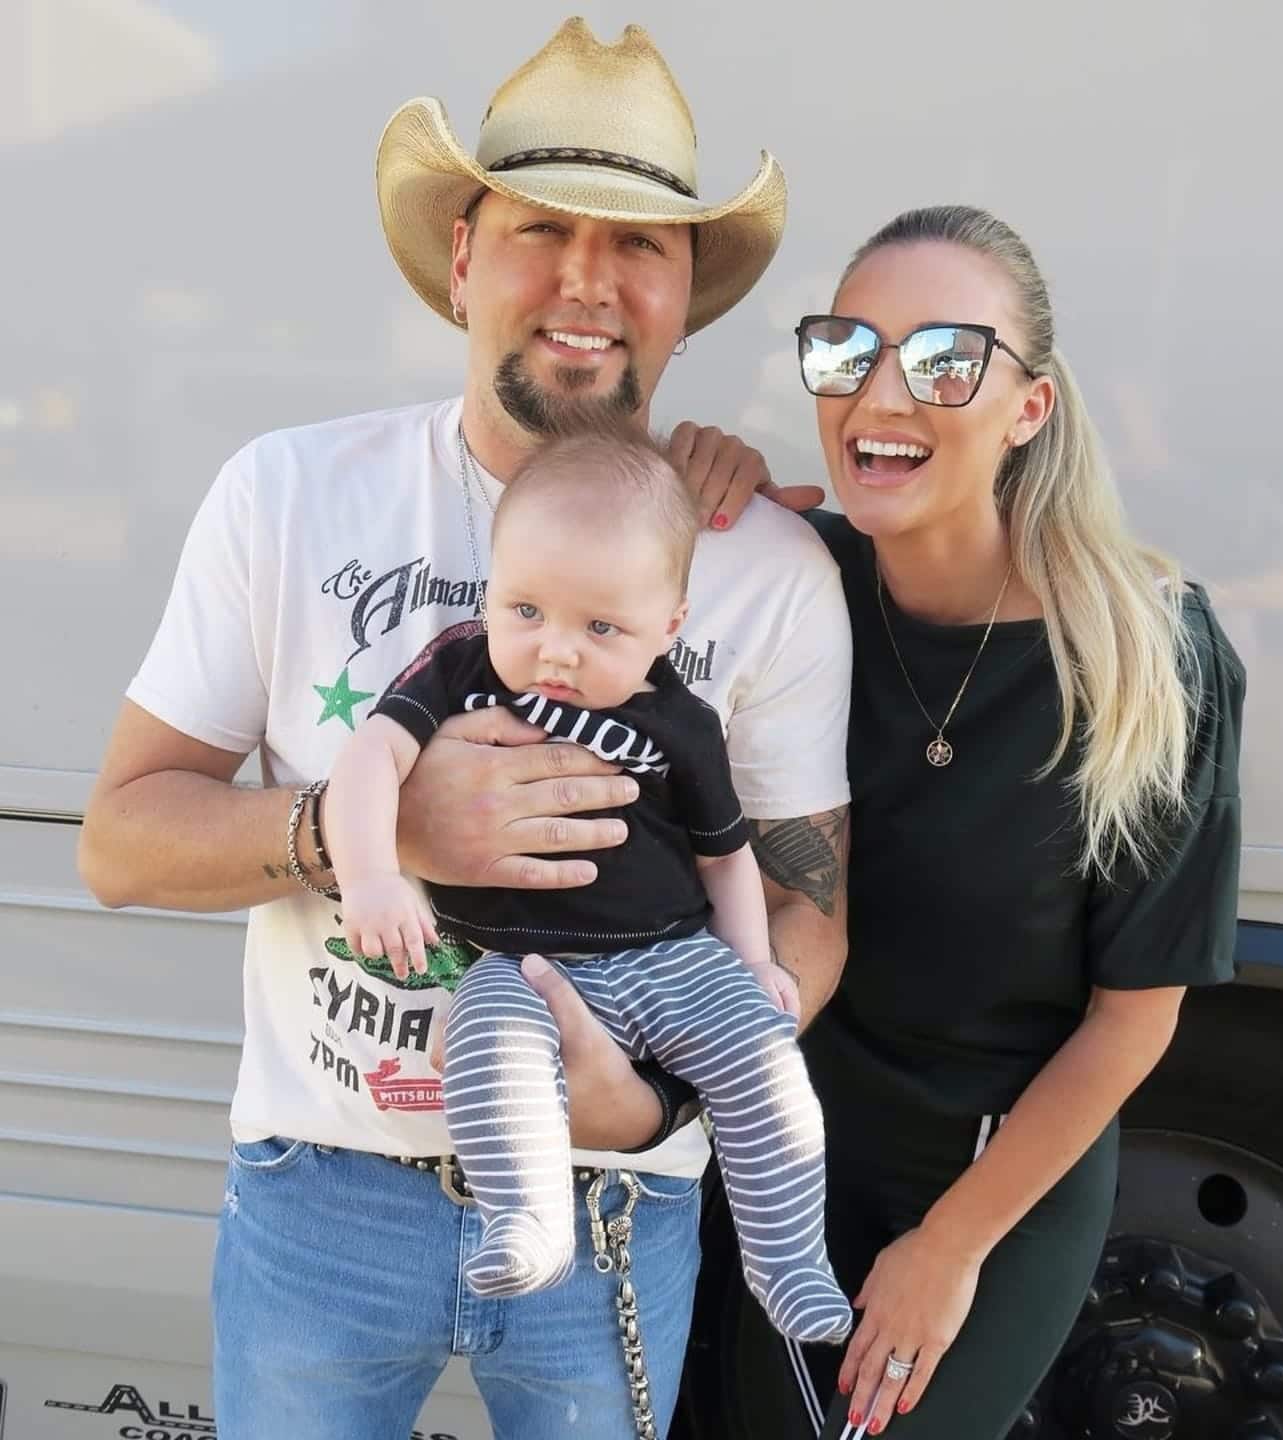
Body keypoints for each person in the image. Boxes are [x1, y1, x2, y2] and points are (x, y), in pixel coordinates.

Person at [77, 19, 851, 1440]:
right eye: (538, 229)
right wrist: (367, 832)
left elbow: (809, 907)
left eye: (641, 245)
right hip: (323, 1200)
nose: (586, 282)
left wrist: (662, 1096)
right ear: (459, 260)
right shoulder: (287, 496)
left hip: (617, 1206)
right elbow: (121, 841)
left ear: (690, 296)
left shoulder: (765, 567)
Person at [733, 204, 1244, 1439]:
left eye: (945, 358)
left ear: (1029, 406)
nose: (883, 392)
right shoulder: (783, 585)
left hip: (995, 1174)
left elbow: (1134, 1019)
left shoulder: (1148, 657)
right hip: (773, 1155)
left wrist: (948, 1247)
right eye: (848, 350)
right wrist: (694, 478)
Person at [326, 425, 851, 1343]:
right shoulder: (463, 668)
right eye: (525, 610)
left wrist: (755, 962)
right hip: (522, 964)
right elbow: (371, 757)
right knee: (486, 1042)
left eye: (599, 627)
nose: (555, 651)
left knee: (767, 1067)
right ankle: (527, 1222)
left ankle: (789, 1257)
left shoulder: (680, 719)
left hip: (674, 957)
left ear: (668, 627)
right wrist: (372, 875)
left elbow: (726, 855)